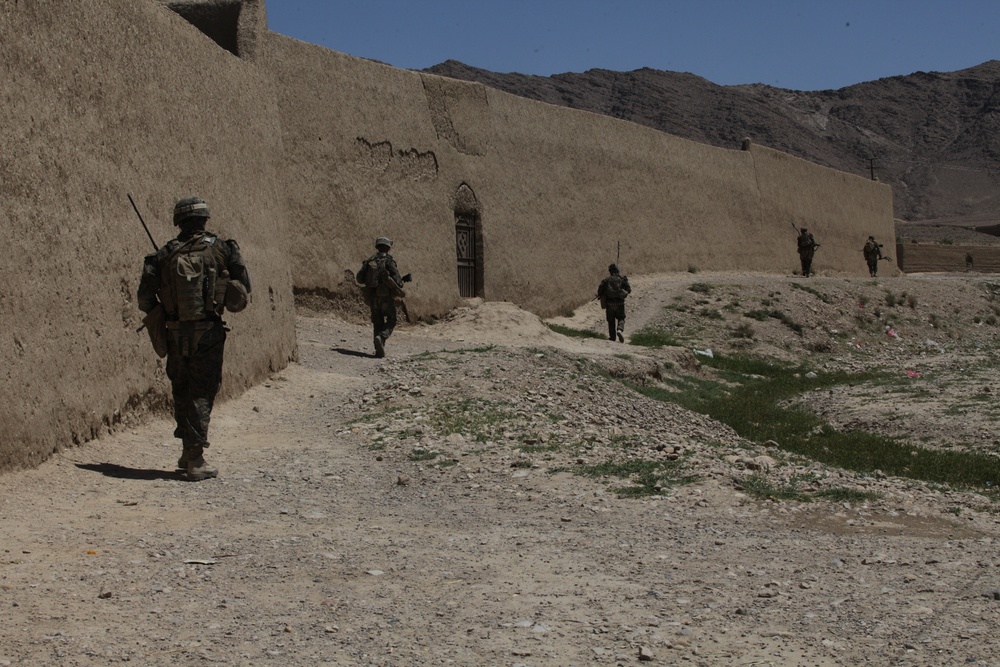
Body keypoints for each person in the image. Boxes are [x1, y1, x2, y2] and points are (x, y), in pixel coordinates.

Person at [137, 196, 252, 481]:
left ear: (179, 222)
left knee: (181, 387)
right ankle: (196, 459)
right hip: (208, 332)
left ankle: (187, 451)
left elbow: (143, 298)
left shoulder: (164, 254)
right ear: (204, 220)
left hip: (175, 333)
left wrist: (163, 313)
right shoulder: (223, 249)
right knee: (202, 391)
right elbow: (243, 289)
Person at [356, 236, 411, 358]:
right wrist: (401, 281)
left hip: (373, 297)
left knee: (377, 321)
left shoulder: (369, 261)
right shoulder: (389, 261)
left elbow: (359, 278)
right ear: (387, 247)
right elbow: (398, 281)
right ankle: (382, 336)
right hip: (386, 296)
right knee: (392, 319)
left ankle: (378, 348)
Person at [597, 263, 632, 342]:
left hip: (609, 304)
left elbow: (600, 291)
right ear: (617, 271)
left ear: (610, 271)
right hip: (620, 303)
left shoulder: (606, 280)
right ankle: (619, 330)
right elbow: (629, 290)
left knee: (611, 320)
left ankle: (612, 337)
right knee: (621, 317)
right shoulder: (622, 279)